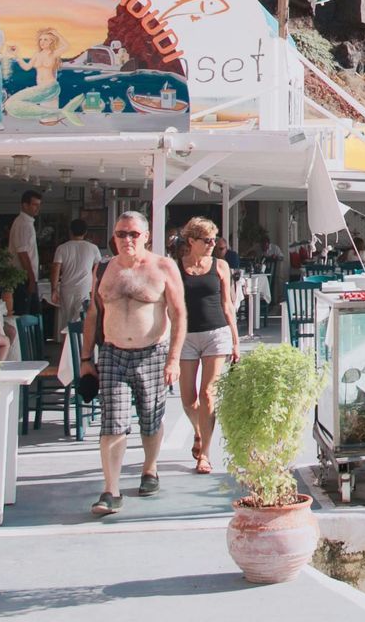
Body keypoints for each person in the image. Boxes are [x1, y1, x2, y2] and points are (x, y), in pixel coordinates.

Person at [79, 211, 186, 517]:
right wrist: (86, 358)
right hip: (113, 353)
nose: (126, 240)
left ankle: (149, 469)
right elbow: (93, 315)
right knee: (112, 420)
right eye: (120, 234)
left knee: (150, 418)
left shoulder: (163, 267)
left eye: (133, 234)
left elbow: (178, 315)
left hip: (152, 352)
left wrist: (174, 358)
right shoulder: (103, 269)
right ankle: (111, 490)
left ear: (146, 236)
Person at [175, 218, 239, 476]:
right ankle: (199, 431)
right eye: (207, 240)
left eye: (214, 240)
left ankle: (205, 455)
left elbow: (228, 305)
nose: (213, 245)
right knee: (188, 400)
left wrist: (235, 340)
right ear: (191, 241)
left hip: (216, 333)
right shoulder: (176, 267)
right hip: (186, 336)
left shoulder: (220, 266)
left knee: (208, 395)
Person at [51, 219, 102, 331]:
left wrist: (54, 289)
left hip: (66, 289)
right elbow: (98, 269)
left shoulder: (62, 248)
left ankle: (66, 346)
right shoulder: (93, 248)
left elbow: (56, 269)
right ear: (85, 232)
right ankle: (80, 346)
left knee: (67, 321)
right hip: (84, 289)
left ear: (70, 231)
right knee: (82, 320)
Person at [9, 190, 42, 316]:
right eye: (35, 205)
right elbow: (22, 253)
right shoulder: (23, 224)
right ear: (25, 205)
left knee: (32, 313)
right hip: (24, 278)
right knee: (27, 314)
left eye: (39, 205)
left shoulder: (27, 222)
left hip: (25, 277)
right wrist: (31, 279)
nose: (38, 208)